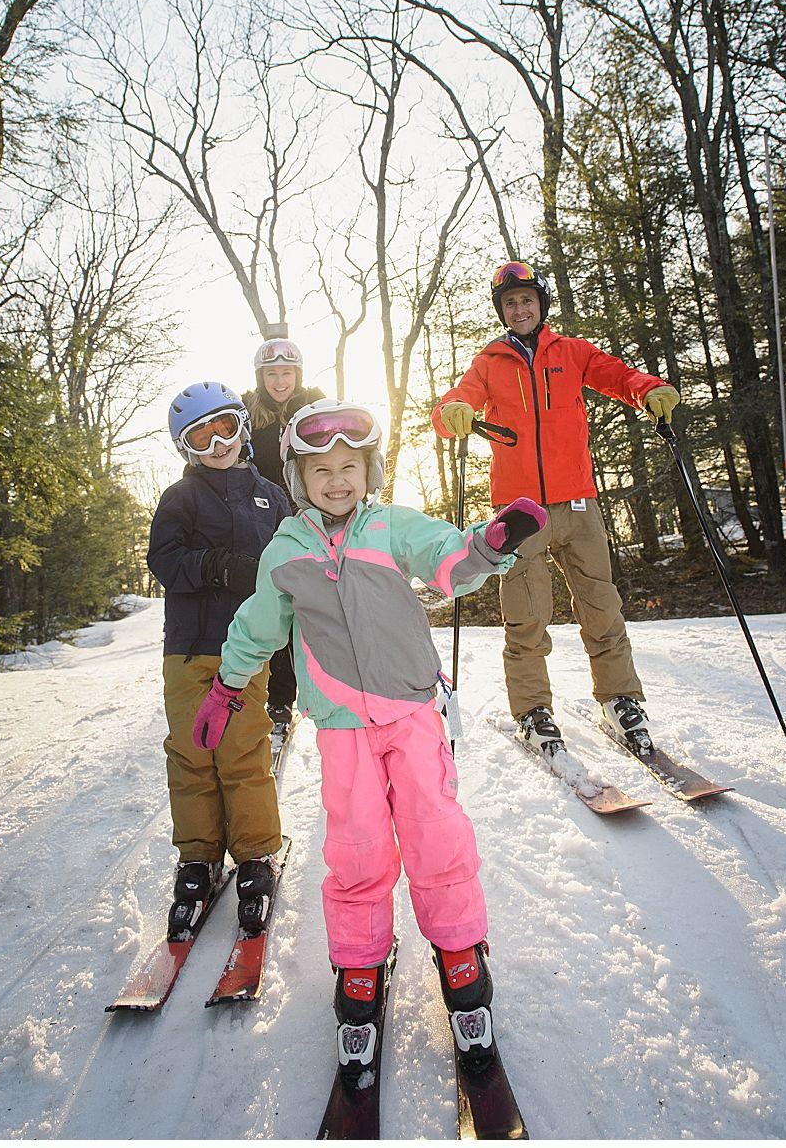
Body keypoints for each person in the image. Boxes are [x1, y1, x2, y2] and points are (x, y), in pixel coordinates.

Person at [191, 398, 546, 1077]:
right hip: (342, 731)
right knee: (355, 849)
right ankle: (359, 963)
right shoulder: (286, 550)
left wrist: (488, 545)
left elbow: (448, 558)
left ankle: (459, 952)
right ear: (300, 480)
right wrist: (229, 684)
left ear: (368, 470)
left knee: (435, 835)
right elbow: (259, 625)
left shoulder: (390, 528)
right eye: (321, 470)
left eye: (349, 467)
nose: (336, 480)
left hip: (411, 714)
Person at [431, 260, 681, 757]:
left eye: (526, 300)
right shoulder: (490, 361)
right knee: (526, 615)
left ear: (540, 304)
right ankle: (532, 710)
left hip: (580, 501)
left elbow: (618, 376)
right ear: (502, 311)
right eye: (510, 303)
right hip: (519, 511)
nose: (519, 309)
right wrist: (450, 413)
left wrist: (650, 389)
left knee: (601, 606)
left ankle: (621, 699)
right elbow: (459, 399)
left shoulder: (571, 351)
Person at [147, 381, 291, 942]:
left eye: (226, 428)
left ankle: (255, 854)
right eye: (201, 438)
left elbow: (289, 557)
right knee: (190, 752)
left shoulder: (270, 496)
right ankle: (199, 858)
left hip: (245, 648)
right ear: (186, 449)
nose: (218, 444)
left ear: (241, 428)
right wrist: (216, 566)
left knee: (243, 747)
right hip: (187, 646)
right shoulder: (180, 499)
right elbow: (164, 558)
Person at [242, 338, 325, 739]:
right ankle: (278, 699)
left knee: (313, 608)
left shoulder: (315, 406)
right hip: (263, 521)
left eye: (287, 373)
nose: (280, 381)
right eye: (271, 374)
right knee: (273, 607)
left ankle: (326, 685)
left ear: (298, 374)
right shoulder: (246, 413)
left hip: (308, 517)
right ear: (261, 377)